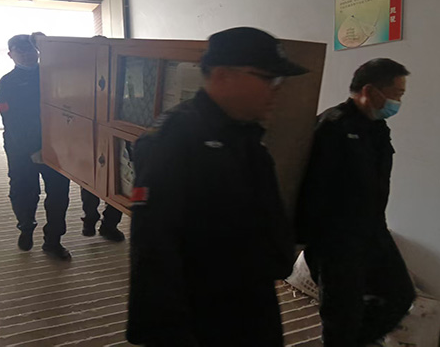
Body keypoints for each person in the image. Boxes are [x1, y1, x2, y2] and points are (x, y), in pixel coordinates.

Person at [126, 27, 307, 347]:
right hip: (204, 318)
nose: (276, 90)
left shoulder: (245, 134)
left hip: (251, 302)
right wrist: (167, 333)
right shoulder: (175, 138)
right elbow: (153, 245)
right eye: (268, 78)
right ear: (224, 76)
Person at [297, 58, 416, 346]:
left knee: (400, 295)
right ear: (371, 91)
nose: (398, 102)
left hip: (373, 231)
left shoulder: (378, 127)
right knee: (341, 316)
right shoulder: (332, 126)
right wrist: (309, 242)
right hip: (335, 241)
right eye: (396, 94)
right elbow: (311, 188)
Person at [0, 33, 71, 260]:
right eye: (21, 51)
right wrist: (33, 149)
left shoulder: (53, 76)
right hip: (20, 148)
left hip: (55, 146)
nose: (27, 55)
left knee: (59, 193)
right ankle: (26, 227)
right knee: (23, 192)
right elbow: (12, 121)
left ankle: (53, 241)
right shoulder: (6, 84)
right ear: (10, 55)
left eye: (31, 50)